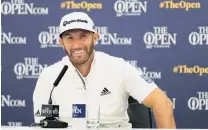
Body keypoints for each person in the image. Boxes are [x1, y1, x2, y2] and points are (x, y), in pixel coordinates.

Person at [33, 12, 176, 128]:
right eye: (70, 38)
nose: (77, 45)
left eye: (83, 36)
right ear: (61, 43)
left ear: (95, 38)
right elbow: (44, 124)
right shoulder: (50, 77)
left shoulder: (118, 67)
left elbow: (162, 104)